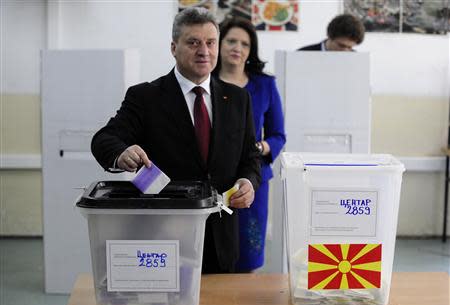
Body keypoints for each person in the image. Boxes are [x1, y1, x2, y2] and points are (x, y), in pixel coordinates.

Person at [91, 7, 261, 274]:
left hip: (221, 238)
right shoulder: (145, 97)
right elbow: (104, 138)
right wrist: (121, 152)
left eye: (210, 42)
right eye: (193, 42)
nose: (203, 51)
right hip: (163, 236)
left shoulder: (238, 99)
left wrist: (247, 182)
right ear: (174, 47)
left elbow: (250, 159)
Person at [213, 17, 286, 272]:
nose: (237, 47)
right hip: (212, 179)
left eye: (245, 43)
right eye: (231, 40)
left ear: (250, 50)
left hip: (253, 180)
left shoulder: (265, 85)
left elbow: (278, 135)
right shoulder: (205, 81)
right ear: (219, 44)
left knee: (248, 252)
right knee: (212, 254)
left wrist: (260, 148)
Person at [298, 14, 365, 51]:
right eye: (341, 46)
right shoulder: (302, 54)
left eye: (350, 47)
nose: (345, 51)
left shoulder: (356, 60)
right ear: (329, 36)